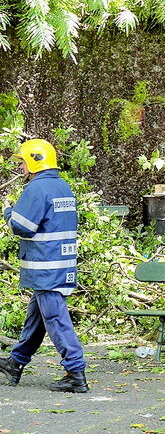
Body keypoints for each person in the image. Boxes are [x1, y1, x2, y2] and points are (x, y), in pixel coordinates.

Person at [0, 139, 88, 393]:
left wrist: (8, 211)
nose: (22, 168)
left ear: (35, 161)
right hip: (61, 262)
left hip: (45, 265)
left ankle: (75, 372)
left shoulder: (37, 189)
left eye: (24, 162)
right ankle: (15, 363)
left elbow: (22, 226)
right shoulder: (62, 187)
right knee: (37, 317)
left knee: (55, 318)